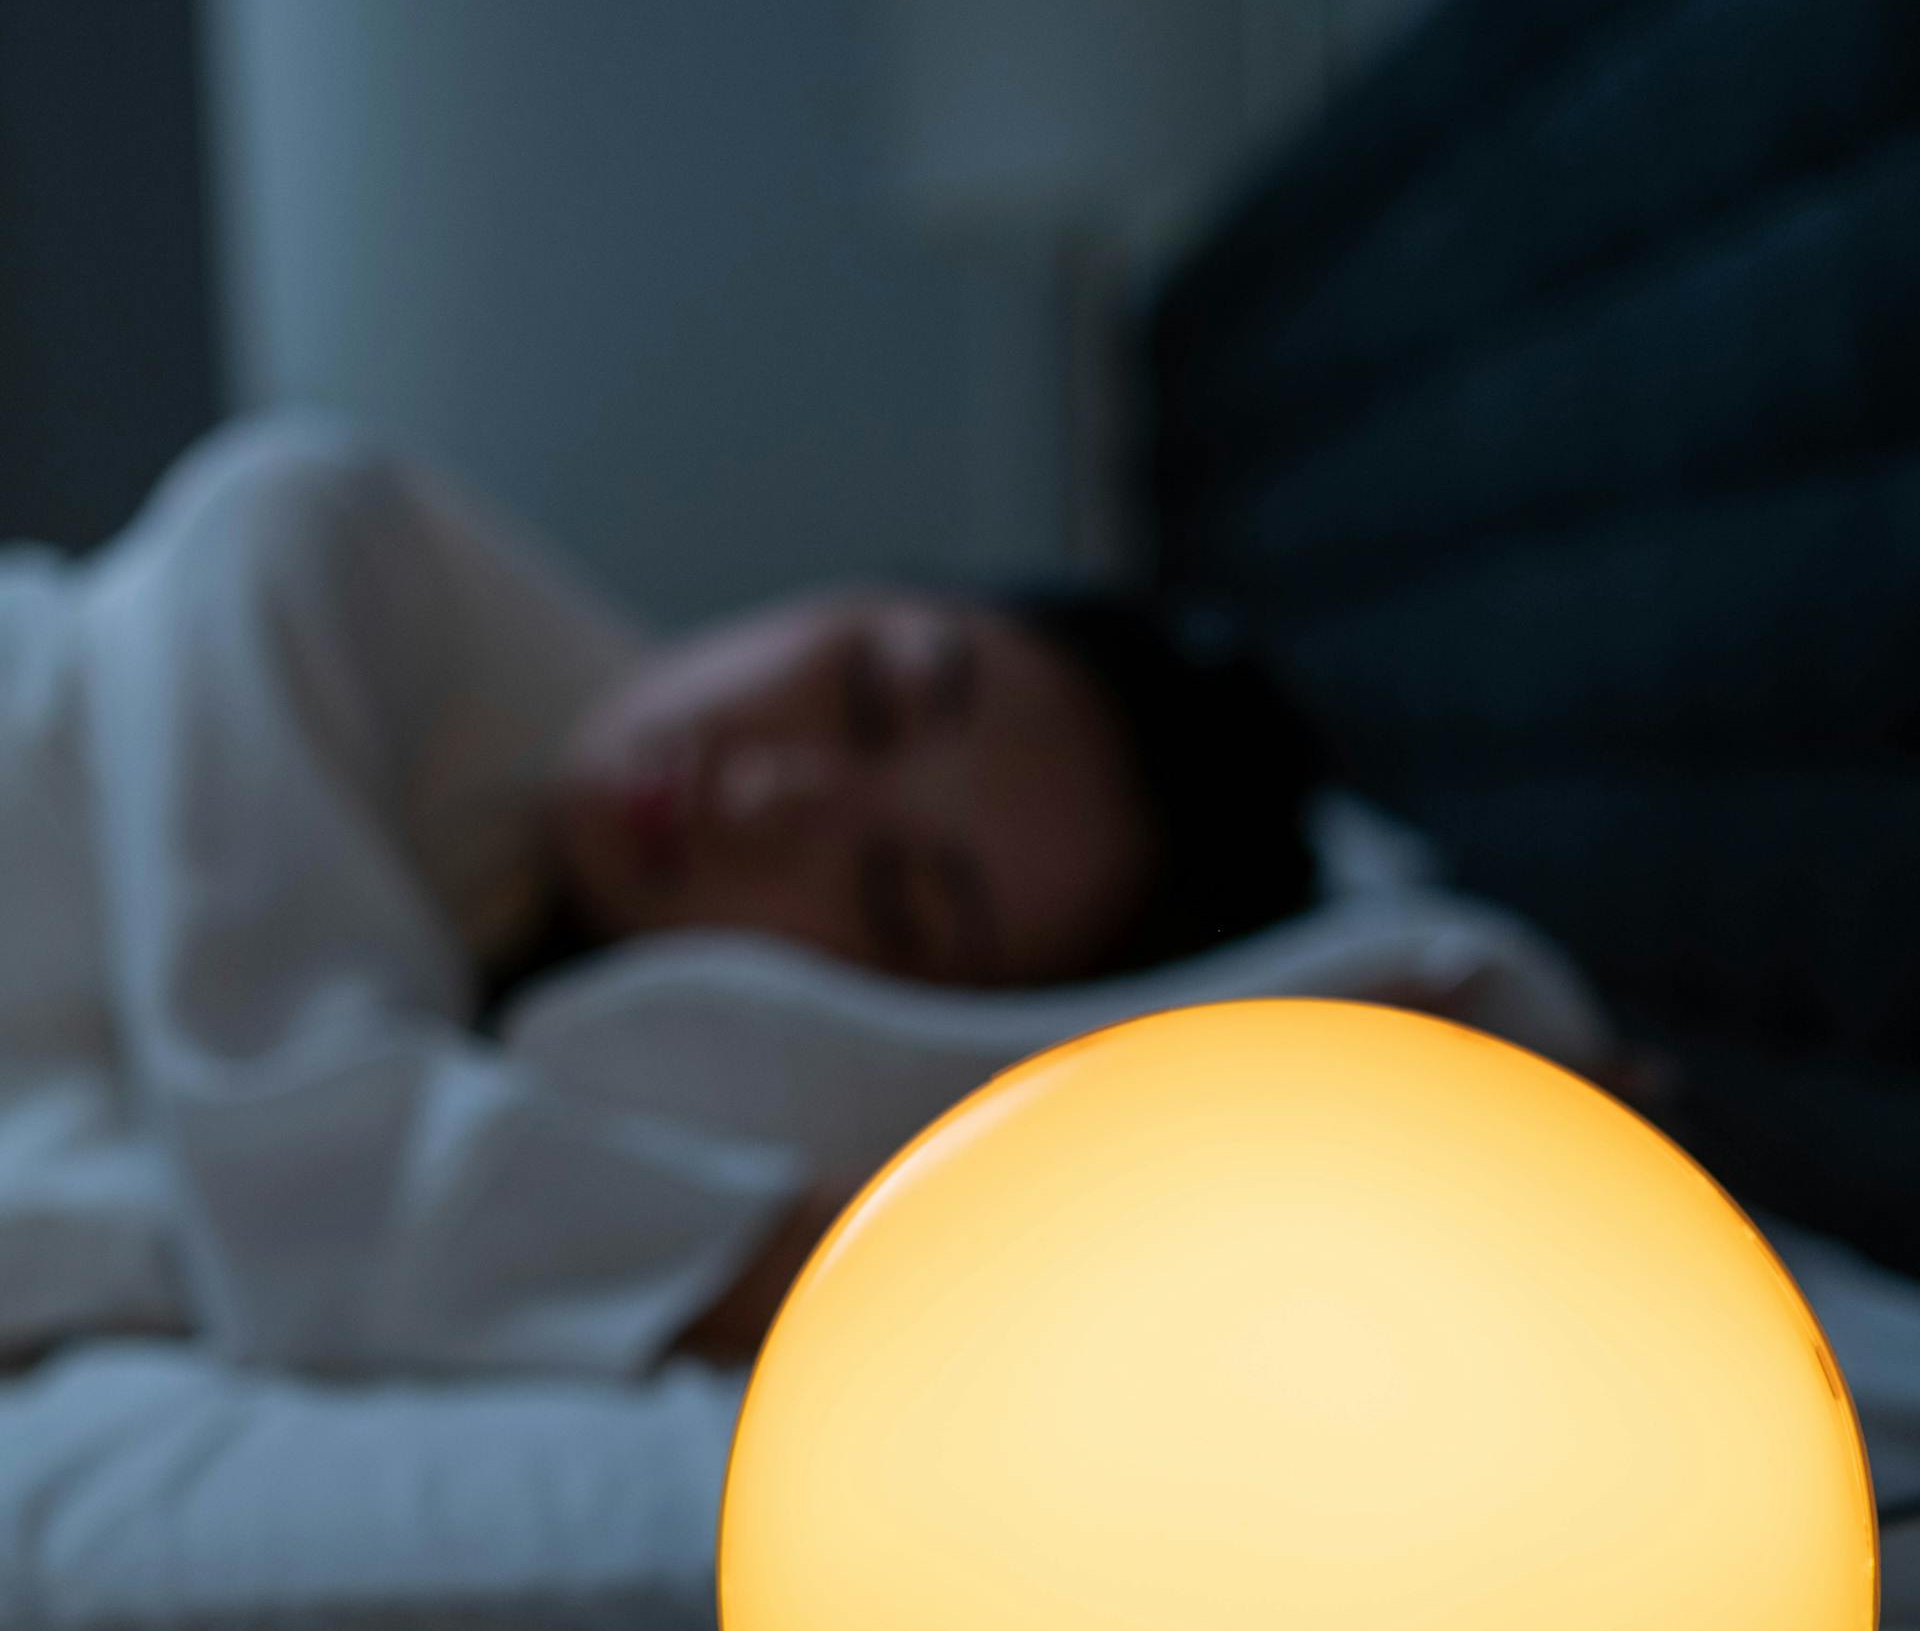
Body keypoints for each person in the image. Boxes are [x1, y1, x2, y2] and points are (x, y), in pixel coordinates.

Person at [0, 416, 1322, 1379]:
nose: (766, 796)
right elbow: (309, 1184)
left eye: (898, 902)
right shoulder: (327, 539)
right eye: (865, 692)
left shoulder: (530, 1037)